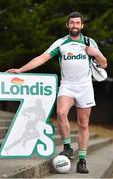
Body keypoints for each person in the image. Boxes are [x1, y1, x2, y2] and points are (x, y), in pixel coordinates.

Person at [7, 12, 107, 173]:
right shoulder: (60, 43)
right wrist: (21, 70)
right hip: (67, 85)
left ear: (82, 26)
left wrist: (95, 53)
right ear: (67, 25)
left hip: (85, 87)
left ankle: (82, 160)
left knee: (83, 124)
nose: (74, 25)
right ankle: (67, 147)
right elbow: (41, 58)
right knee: (61, 113)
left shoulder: (90, 42)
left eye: (77, 23)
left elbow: (104, 64)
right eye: (72, 23)